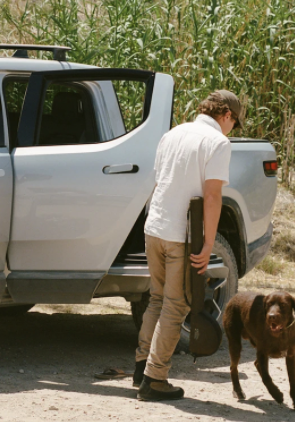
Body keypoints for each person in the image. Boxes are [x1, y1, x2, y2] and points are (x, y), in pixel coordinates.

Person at [97, 90, 243, 400]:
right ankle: (156, 378)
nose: (233, 129)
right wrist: (207, 245)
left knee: (157, 299)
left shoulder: (173, 133)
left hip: (154, 228)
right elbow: (213, 196)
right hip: (180, 233)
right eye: (235, 122)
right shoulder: (217, 143)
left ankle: (141, 366)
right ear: (227, 115)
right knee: (176, 306)